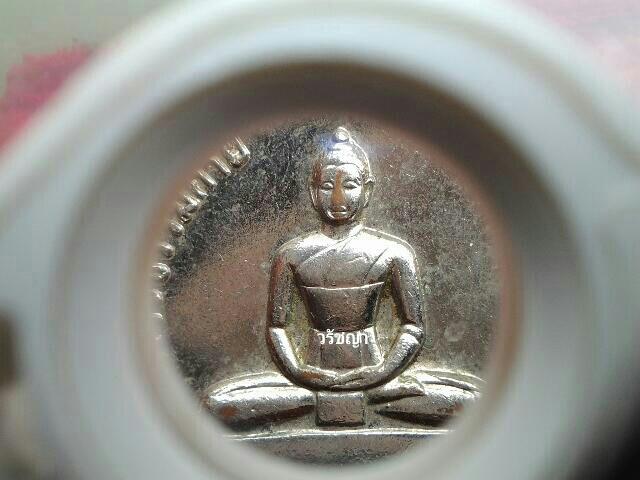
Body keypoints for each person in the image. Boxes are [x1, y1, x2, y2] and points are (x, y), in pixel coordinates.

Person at [206, 127, 478, 428]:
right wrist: (300, 373)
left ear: (367, 190)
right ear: (313, 192)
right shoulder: (291, 254)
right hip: (309, 384)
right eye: (326, 186)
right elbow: (276, 327)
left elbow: (412, 327)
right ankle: (331, 403)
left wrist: (380, 373)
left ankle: (356, 402)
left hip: (378, 384)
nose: (337, 197)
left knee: (471, 404)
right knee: (219, 406)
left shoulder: (394, 253)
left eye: (349, 184)